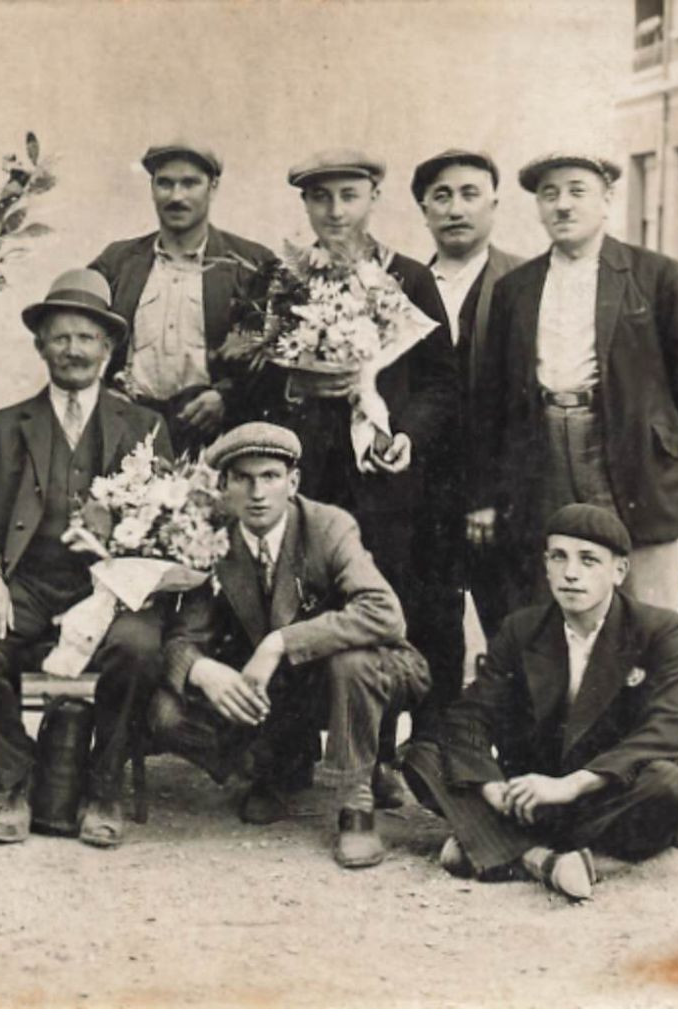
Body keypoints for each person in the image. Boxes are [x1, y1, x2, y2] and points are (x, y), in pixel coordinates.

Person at [252, 149, 459, 803]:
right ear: (305, 205)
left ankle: (379, 762)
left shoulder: (407, 279)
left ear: (373, 196)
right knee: (287, 599)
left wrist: (404, 434)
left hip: (381, 481)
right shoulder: (280, 278)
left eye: (347, 195)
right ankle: (283, 757)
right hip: (305, 476)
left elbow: (438, 382)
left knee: (381, 603)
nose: (334, 211)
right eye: (319, 198)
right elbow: (247, 370)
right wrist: (294, 381)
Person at [0, 268, 171, 849]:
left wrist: (123, 585)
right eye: (60, 337)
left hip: (111, 588)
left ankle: (102, 787)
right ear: (41, 345)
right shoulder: (2, 426)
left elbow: (166, 531)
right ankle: (17, 781)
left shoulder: (144, 426)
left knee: (140, 647)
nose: (72, 350)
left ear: (108, 348)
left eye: (86, 338)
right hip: (28, 582)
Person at [153, 423, 430, 867]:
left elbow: (384, 613)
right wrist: (204, 670)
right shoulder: (211, 537)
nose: (258, 492)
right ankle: (271, 763)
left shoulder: (328, 526)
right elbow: (182, 637)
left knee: (351, 662)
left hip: (356, 672)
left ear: (293, 482)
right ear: (223, 486)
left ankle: (355, 801)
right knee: (165, 711)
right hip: (278, 691)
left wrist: (279, 642)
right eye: (243, 478)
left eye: (271, 476)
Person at [468, 152, 678, 615]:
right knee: (555, 580)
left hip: (626, 450)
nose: (562, 205)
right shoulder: (516, 289)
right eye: (550, 195)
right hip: (543, 444)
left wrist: (645, 418)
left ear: (606, 200)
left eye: (576, 191)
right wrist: (486, 492)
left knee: (643, 596)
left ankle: (650, 687)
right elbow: (494, 401)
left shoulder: (654, 275)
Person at [402, 503, 678, 902]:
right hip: (527, 796)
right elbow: (470, 716)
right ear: (546, 565)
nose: (571, 573)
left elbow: (667, 730)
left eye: (589, 560)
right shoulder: (522, 629)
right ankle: (545, 861)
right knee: (423, 756)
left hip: (597, 795)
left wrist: (569, 786)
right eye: (559, 557)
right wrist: (490, 787)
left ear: (619, 571)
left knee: (664, 782)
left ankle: (491, 846)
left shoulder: (659, 631)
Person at [88, 142, 275, 452]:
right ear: (152, 187)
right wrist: (105, 391)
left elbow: (275, 357)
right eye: (165, 183)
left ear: (212, 188)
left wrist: (227, 397)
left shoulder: (251, 264)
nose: (176, 197)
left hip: (215, 432)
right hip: (129, 428)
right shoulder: (118, 261)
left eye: (190, 183)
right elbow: (78, 329)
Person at [411, 148, 525, 639]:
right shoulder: (402, 288)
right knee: (432, 631)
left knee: (514, 627)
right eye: (442, 197)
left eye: (469, 195)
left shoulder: (524, 282)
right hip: (425, 496)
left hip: (504, 495)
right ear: (425, 211)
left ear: (493, 205)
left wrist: (494, 493)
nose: (455, 209)